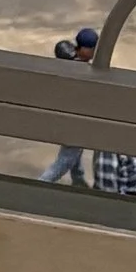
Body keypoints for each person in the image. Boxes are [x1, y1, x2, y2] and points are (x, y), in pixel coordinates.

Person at [39, 26, 99, 183]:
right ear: (83, 48)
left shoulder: (74, 60)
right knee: (65, 160)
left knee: (74, 152)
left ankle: (78, 179)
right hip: (71, 119)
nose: (94, 52)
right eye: (91, 48)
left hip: (70, 117)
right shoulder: (77, 67)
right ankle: (41, 183)